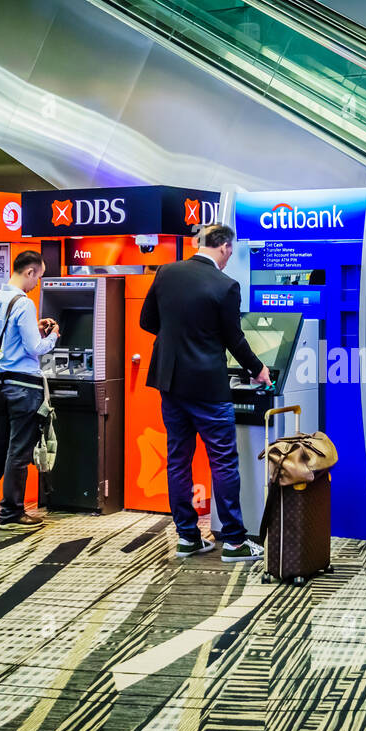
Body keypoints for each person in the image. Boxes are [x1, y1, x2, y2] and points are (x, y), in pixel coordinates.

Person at [140, 223, 271, 562]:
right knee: (224, 461)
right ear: (225, 247)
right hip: (209, 387)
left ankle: (187, 537)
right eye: (230, 251)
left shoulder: (166, 272)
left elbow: (147, 321)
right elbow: (234, 339)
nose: (229, 257)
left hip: (170, 382)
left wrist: (178, 338)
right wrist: (258, 370)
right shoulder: (226, 286)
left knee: (178, 459)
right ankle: (234, 542)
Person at [0, 250, 58, 532]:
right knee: (18, 452)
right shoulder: (23, 303)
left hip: (1, 386)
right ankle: (11, 513)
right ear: (30, 272)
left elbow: (3, 343)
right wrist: (54, 336)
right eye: (38, 277)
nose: (37, 284)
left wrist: (33, 329)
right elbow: (36, 348)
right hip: (24, 388)